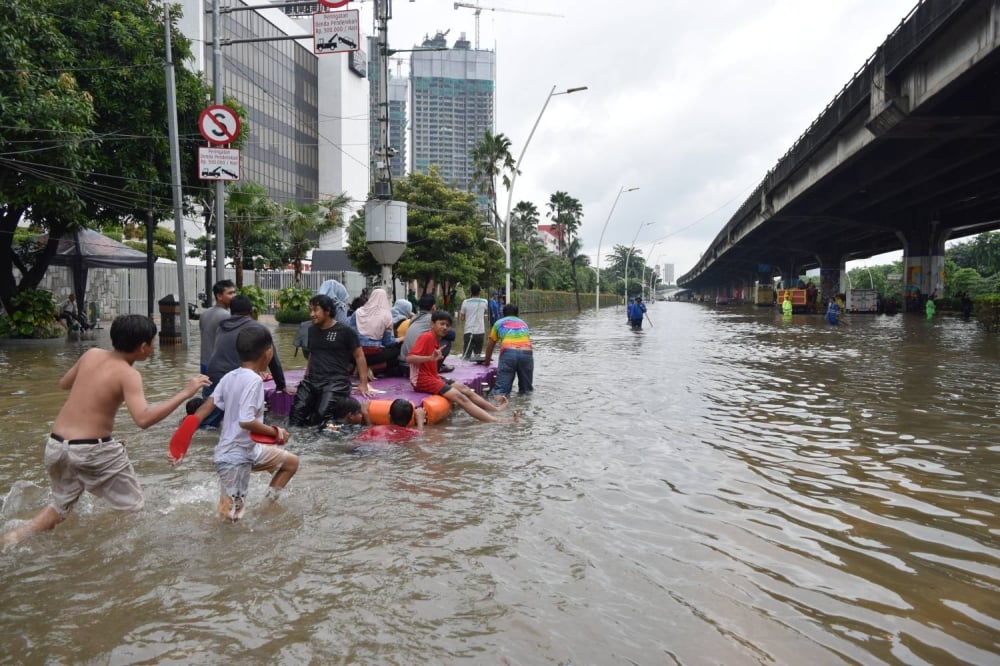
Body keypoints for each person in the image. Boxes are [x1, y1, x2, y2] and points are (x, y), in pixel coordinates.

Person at [2, 315, 210, 546]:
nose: (153, 347)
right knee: (133, 509)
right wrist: (185, 392)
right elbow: (143, 419)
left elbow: (64, 384)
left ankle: (14, 538)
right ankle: (115, 556)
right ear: (142, 347)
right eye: (153, 342)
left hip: (56, 445)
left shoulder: (91, 354)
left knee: (59, 507)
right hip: (91, 450)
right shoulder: (129, 374)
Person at [179, 327, 297, 522]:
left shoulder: (229, 376)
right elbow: (246, 421)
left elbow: (204, 410)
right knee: (232, 518)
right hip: (234, 458)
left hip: (250, 450)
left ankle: (264, 509)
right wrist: (276, 431)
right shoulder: (254, 381)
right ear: (268, 352)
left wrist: (181, 441)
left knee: (291, 463)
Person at [407, 311, 509, 423]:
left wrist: (431, 360)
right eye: (441, 324)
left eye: (447, 325)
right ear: (432, 324)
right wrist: (430, 358)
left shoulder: (435, 339)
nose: (445, 327)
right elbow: (410, 359)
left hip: (432, 376)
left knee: (465, 389)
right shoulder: (426, 337)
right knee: (461, 398)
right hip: (421, 380)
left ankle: (494, 409)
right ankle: (495, 421)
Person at [201, 295, 288, 427]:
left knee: (211, 418)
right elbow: (272, 359)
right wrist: (281, 386)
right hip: (237, 378)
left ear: (230, 311)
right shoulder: (258, 329)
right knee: (243, 419)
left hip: (213, 374)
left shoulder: (222, 327)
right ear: (252, 311)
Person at [289, 294, 374, 427]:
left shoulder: (345, 331)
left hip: (335, 382)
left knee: (321, 416)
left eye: (315, 310)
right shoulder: (311, 330)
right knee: (296, 415)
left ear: (327, 311)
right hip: (313, 381)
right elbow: (312, 354)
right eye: (310, 310)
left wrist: (363, 383)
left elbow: (359, 355)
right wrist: (306, 377)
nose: (312, 314)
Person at [483, 303, 534, 398]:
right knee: (526, 391)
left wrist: (486, 361)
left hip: (508, 353)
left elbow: (490, 345)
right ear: (517, 314)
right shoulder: (523, 324)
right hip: (527, 353)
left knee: (501, 391)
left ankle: (499, 411)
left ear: (503, 314)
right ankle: (525, 408)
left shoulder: (498, 323)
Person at [400, 294, 455, 374]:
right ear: (433, 307)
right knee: (446, 341)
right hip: (415, 368)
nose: (444, 327)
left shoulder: (414, 318)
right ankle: (436, 368)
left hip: (402, 365)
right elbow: (452, 334)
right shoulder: (432, 319)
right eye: (442, 324)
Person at [349, 288, 401, 373]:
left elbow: (350, 334)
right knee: (396, 352)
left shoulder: (358, 312)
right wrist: (400, 339)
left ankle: (359, 366)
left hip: (355, 354)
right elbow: (387, 342)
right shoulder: (387, 316)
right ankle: (371, 368)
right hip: (375, 354)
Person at [199, 279, 235, 373]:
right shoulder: (227, 316)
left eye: (234, 293)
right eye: (230, 293)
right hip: (219, 366)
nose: (233, 296)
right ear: (219, 296)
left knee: (207, 387)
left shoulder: (204, 314)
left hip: (204, 363)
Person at [354, 399, 425, 443]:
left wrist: (365, 413)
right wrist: (420, 420)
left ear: (389, 416)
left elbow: (360, 439)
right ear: (410, 420)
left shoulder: (375, 430)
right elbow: (420, 435)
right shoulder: (412, 434)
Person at [459, 283, 489, 359]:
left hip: (468, 332)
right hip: (480, 332)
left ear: (470, 292)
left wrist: (469, 317)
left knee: (466, 357)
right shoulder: (484, 302)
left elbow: (462, 318)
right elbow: (484, 312)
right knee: (477, 357)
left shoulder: (465, 302)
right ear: (479, 292)